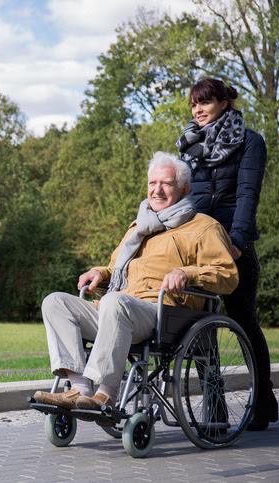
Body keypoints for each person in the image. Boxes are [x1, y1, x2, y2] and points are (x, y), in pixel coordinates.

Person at [33, 152, 238, 411]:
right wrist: (101, 273)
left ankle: (106, 393)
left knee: (114, 302)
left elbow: (227, 275)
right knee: (55, 302)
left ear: (185, 189)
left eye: (166, 183)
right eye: (153, 183)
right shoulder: (139, 226)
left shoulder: (202, 227)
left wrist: (187, 273)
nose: (157, 190)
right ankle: (80, 388)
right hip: (116, 308)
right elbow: (115, 266)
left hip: (160, 313)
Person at [177, 78, 277, 431]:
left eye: (204, 102)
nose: (198, 110)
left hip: (235, 246)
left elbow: (248, 195)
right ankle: (214, 409)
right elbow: (183, 202)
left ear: (223, 102)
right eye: (193, 104)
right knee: (201, 326)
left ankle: (262, 400)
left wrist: (236, 240)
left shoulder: (250, 142)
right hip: (200, 248)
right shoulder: (189, 147)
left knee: (244, 321)